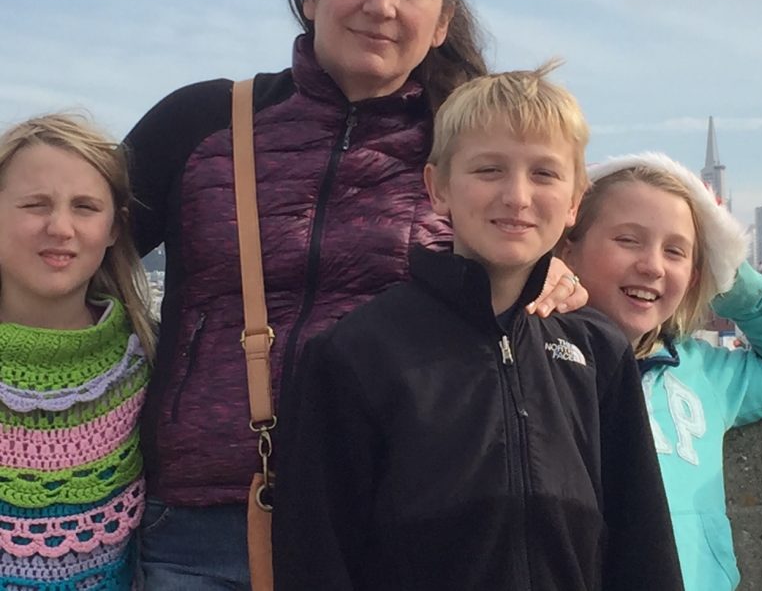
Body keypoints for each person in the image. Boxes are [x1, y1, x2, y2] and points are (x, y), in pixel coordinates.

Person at [124, 0, 586, 589]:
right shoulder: (205, 123)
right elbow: (63, 241)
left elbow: (569, 252)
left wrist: (554, 269)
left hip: (401, 524)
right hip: (204, 526)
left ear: (441, 23)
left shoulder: (469, 156)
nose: (381, 3)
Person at [273, 65, 684, 590]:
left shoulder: (597, 351)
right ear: (438, 187)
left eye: (544, 174)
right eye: (489, 170)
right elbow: (317, 559)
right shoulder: (355, 354)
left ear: (576, 199)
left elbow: (642, 546)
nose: (517, 196)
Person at [559, 152, 762, 591]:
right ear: (567, 249)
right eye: (628, 240)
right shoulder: (541, 362)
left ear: (694, 276)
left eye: (676, 251)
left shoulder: (705, 373)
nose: (652, 266)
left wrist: (729, 275)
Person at [0, 114, 154, 590]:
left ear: (113, 229)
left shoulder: (150, 365)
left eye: (85, 207)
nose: (60, 227)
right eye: (35, 204)